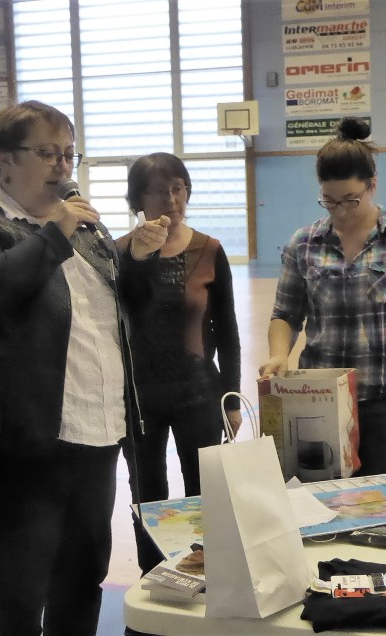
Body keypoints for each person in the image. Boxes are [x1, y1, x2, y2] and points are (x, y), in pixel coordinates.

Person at [0, 100, 169, 635]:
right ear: (5, 160)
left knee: (82, 579)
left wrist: (139, 261)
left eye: (68, 153)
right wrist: (55, 233)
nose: (63, 166)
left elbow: (125, 314)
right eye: (47, 153)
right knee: (18, 592)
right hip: (13, 439)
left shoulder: (82, 231)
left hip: (94, 431)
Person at [259, 117, 386, 490]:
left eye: (350, 199)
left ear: (372, 185)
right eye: (329, 200)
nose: (341, 210)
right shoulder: (303, 243)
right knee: (322, 507)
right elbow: (285, 314)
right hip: (320, 401)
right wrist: (279, 353)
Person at [117, 152, 242, 574]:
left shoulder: (210, 249)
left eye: (178, 188)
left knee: (204, 495)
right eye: (158, 191)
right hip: (138, 398)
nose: (171, 199)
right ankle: (152, 578)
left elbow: (228, 330)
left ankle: (207, 575)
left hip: (198, 393)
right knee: (147, 495)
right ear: (138, 198)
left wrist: (231, 400)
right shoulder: (119, 252)